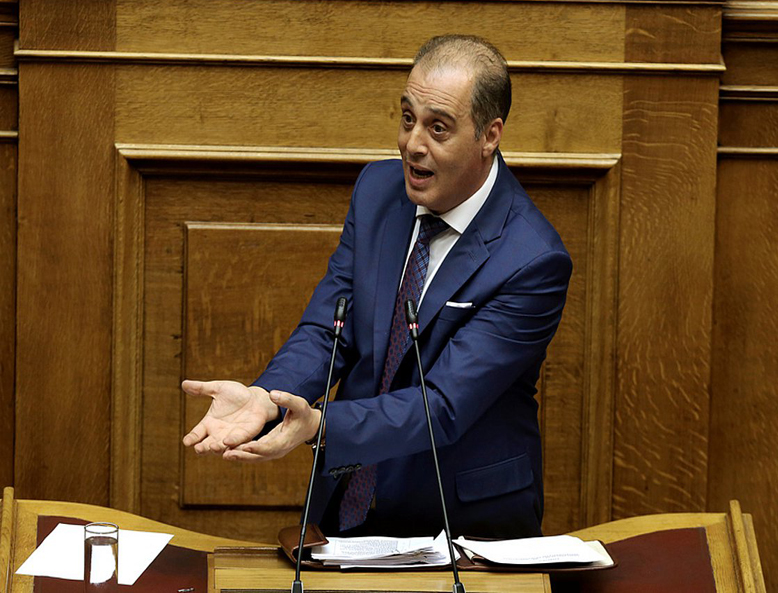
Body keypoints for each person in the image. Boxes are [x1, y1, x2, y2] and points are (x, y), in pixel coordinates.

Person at [182, 34, 571, 539]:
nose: (413, 144)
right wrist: (266, 398)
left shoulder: (532, 259)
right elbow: (330, 330)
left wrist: (323, 427)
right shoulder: (377, 192)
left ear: (489, 135)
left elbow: (443, 405)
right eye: (408, 119)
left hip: (464, 526)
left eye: (438, 128)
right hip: (350, 502)